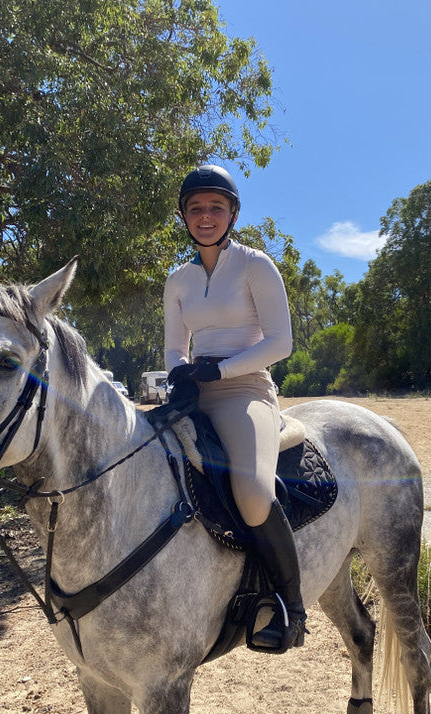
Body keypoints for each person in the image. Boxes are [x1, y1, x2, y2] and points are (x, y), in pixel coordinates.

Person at [163, 164, 305, 652]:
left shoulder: (255, 265)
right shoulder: (178, 280)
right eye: (195, 208)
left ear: (233, 214)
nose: (205, 216)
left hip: (246, 391)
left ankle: (290, 608)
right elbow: (174, 347)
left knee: (252, 494)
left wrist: (220, 371)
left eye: (216, 207)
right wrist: (180, 373)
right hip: (195, 393)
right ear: (184, 216)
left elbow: (280, 342)